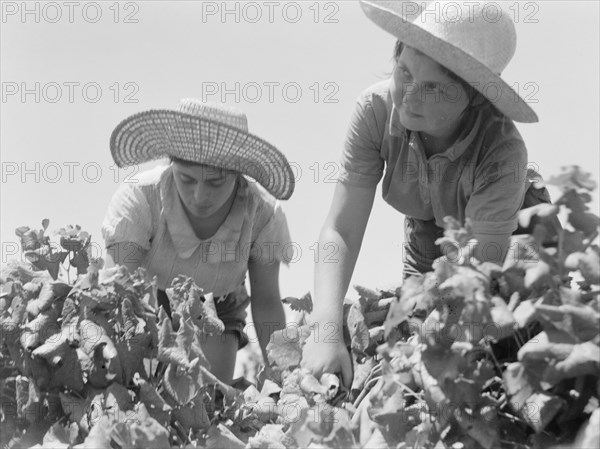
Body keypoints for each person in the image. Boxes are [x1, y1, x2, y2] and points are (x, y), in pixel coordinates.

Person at [301, 0, 554, 386]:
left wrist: (422, 358)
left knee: (504, 347)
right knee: (412, 322)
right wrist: (326, 329)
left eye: (433, 87)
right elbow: (342, 229)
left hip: (511, 234)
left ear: (474, 96)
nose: (410, 96)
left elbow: (475, 278)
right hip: (427, 229)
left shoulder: (501, 151)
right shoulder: (374, 111)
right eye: (404, 72)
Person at [102, 99, 295, 384]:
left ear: (238, 173)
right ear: (171, 164)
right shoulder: (140, 200)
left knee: (206, 404)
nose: (200, 196)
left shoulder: (263, 214)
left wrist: (286, 377)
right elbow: (116, 294)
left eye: (216, 183)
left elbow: (266, 302)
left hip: (215, 309)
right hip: (145, 308)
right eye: (187, 180)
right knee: (135, 392)